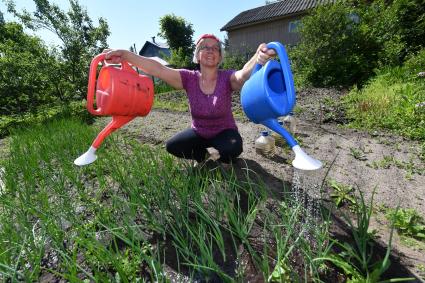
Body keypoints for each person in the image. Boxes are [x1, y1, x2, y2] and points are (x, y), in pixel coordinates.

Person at [104, 34, 275, 165]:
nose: (210, 50)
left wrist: (257, 57)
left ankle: (216, 154)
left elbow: (243, 75)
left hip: (224, 132)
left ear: (220, 57)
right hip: (199, 132)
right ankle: (206, 155)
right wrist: (126, 55)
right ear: (198, 55)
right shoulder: (188, 78)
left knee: (234, 146)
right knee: (173, 146)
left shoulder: (227, 77)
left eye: (215, 48)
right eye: (205, 47)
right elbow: (158, 69)